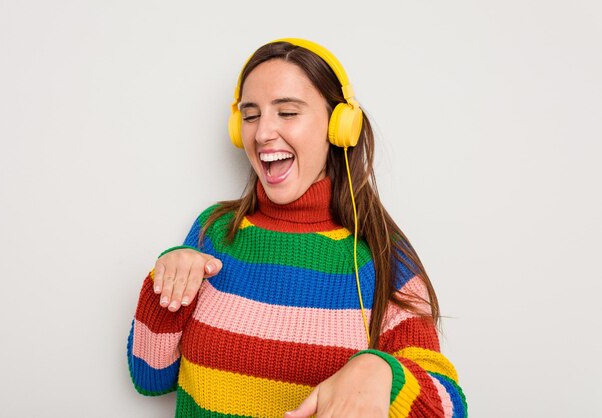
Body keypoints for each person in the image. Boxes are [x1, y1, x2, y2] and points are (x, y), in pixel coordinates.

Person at [127, 38, 467, 418]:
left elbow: (448, 406)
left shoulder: (382, 252)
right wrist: (166, 285)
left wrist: (382, 372)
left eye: (287, 112)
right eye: (251, 115)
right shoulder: (214, 231)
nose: (261, 134)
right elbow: (150, 378)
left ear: (339, 127)